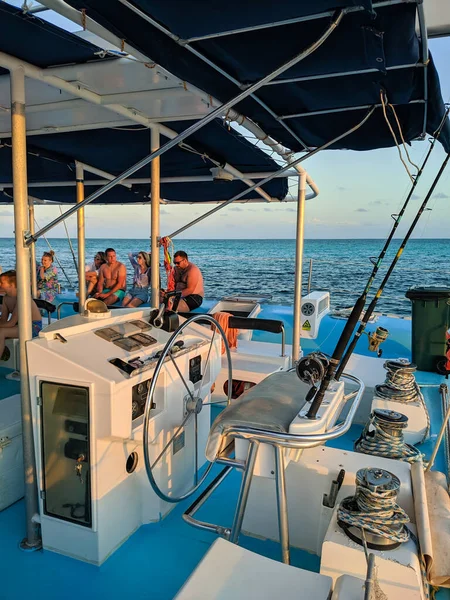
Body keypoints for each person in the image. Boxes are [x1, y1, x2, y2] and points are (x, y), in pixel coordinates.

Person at [0, 270, 42, 361]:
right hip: (19, 326)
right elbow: (3, 319)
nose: (0, 284)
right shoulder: (6, 298)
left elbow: (11, 323)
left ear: (11, 285)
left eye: (2, 283)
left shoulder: (22, 297)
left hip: (33, 327)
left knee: (2, 332)